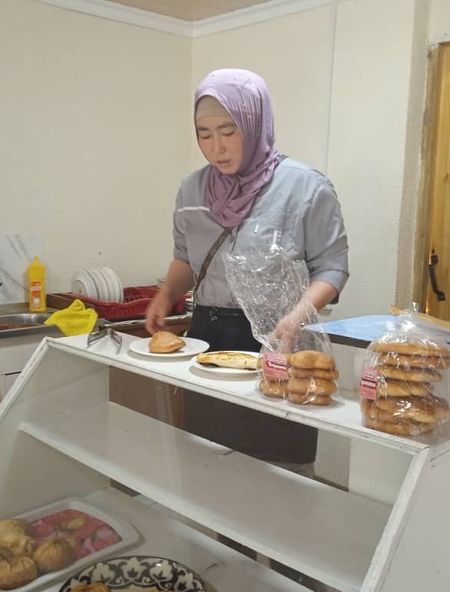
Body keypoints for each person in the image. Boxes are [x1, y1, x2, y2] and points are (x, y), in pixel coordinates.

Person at [145, 67, 349, 469]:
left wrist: (296, 318)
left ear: (255, 124)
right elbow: (186, 257)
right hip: (207, 336)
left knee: (278, 465)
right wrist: (167, 294)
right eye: (204, 134)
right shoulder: (192, 189)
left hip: (280, 337)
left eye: (229, 130)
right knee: (207, 458)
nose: (217, 147)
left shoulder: (305, 186)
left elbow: (332, 268)